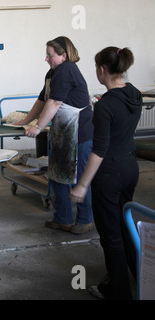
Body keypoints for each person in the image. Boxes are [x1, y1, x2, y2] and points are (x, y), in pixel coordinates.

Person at [70, 47, 142, 299]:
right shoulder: (134, 94)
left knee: (110, 233)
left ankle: (117, 291)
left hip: (109, 172)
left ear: (102, 70)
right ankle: (140, 277)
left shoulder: (105, 106)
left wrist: (82, 185)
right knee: (126, 226)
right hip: (131, 167)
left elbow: (99, 151)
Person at [15, 36, 94, 234]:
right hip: (62, 132)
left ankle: (85, 220)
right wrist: (25, 120)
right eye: (47, 55)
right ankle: (63, 218)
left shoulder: (67, 70)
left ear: (63, 55)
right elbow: (42, 100)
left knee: (79, 178)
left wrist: (38, 127)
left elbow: (55, 103)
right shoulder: (52, 72)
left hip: (79, 132)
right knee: (57, 176)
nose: (46, 59)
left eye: (50, 55)